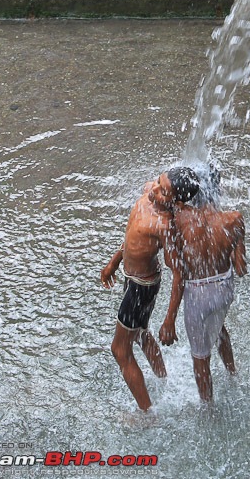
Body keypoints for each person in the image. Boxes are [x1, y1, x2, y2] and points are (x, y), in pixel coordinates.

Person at [101, 167, 200, 411]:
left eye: (163, 191)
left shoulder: (165, 226)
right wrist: (115, 262)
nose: (154, 189)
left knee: (119, 350)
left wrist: (170, 320)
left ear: (175, 202)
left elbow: (179, 274)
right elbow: (132, 235)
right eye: (158, 181)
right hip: (132, 276)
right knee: (140, 333)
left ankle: (147, 413)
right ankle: (162, 377)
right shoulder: (150, 191)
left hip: (141, 288)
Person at [159, 165, 246, 402]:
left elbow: (174, 269)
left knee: (200, 357)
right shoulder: (234, 219)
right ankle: (232, 373)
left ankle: (208, 409)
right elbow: (240, 268)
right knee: (219, 329)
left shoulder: (178, 220)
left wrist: (169, 320)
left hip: (197, 297)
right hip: (224, 291)